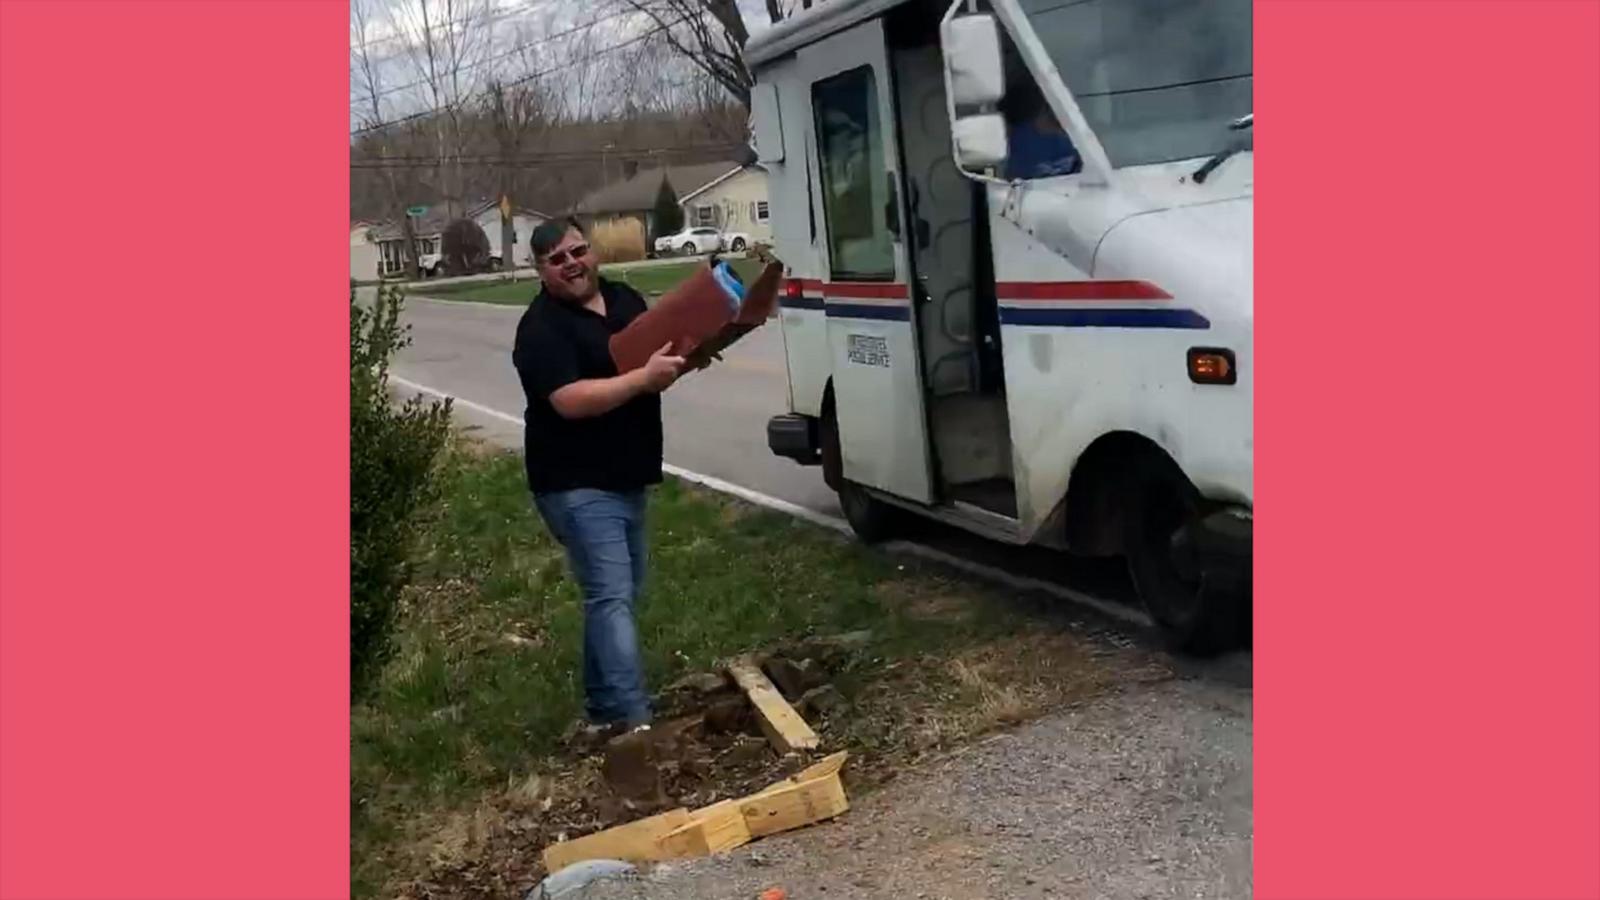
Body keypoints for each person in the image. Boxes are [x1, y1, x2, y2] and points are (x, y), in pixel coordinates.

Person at [511, 218, 686, 735]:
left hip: (627, 474)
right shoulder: (540, 329)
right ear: (541, 271)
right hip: (574, 483)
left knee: (616, 595)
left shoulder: (625, 300)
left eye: (577, 251)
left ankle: (602, 710)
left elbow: (657, 361)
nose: (572, 264)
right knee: (611, 597)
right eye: (557, 259)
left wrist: (680, 359)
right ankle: (635, 725)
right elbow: (570, 400)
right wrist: (641, 379)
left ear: (592, 252)